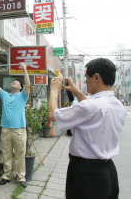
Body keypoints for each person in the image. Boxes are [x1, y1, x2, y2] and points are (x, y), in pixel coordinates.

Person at [48, 58, 126, 199]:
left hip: (86, 173)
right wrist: (75, 90)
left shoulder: (91, 106)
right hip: (108, 171)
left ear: (96, 77)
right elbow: (90, 107)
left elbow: (52, 116)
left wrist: (53, 91)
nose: (85, 81)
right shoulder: (117, 105)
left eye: (86, 77)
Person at [0, 62, 31, 188]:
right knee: (6, 153)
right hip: (6, 130)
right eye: (13, 82)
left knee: (19, 154)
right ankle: (6, 175)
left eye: (17, 83)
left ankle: (21, 177)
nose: (14, 83)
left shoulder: (23, 96)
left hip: (19, 130)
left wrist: (24, 69)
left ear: (20, 88)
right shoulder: (5, 95)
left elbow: (28, 84)